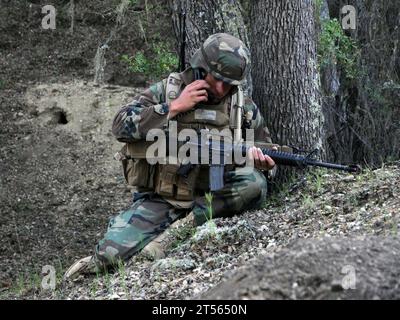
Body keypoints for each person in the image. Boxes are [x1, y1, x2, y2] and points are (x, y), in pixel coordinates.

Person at [64, 33, 276, 279]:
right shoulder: (169, 90)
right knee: (109, 256)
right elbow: (120, 125)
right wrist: (173, 107)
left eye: (228, 83)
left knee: (254, 183)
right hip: (162, 199)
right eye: (216, 78)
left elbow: (268, 152)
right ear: (201, 67)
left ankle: (178, 232)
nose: (220, 88)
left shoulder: (241, 107)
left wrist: (264, 164)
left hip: (211, 198)